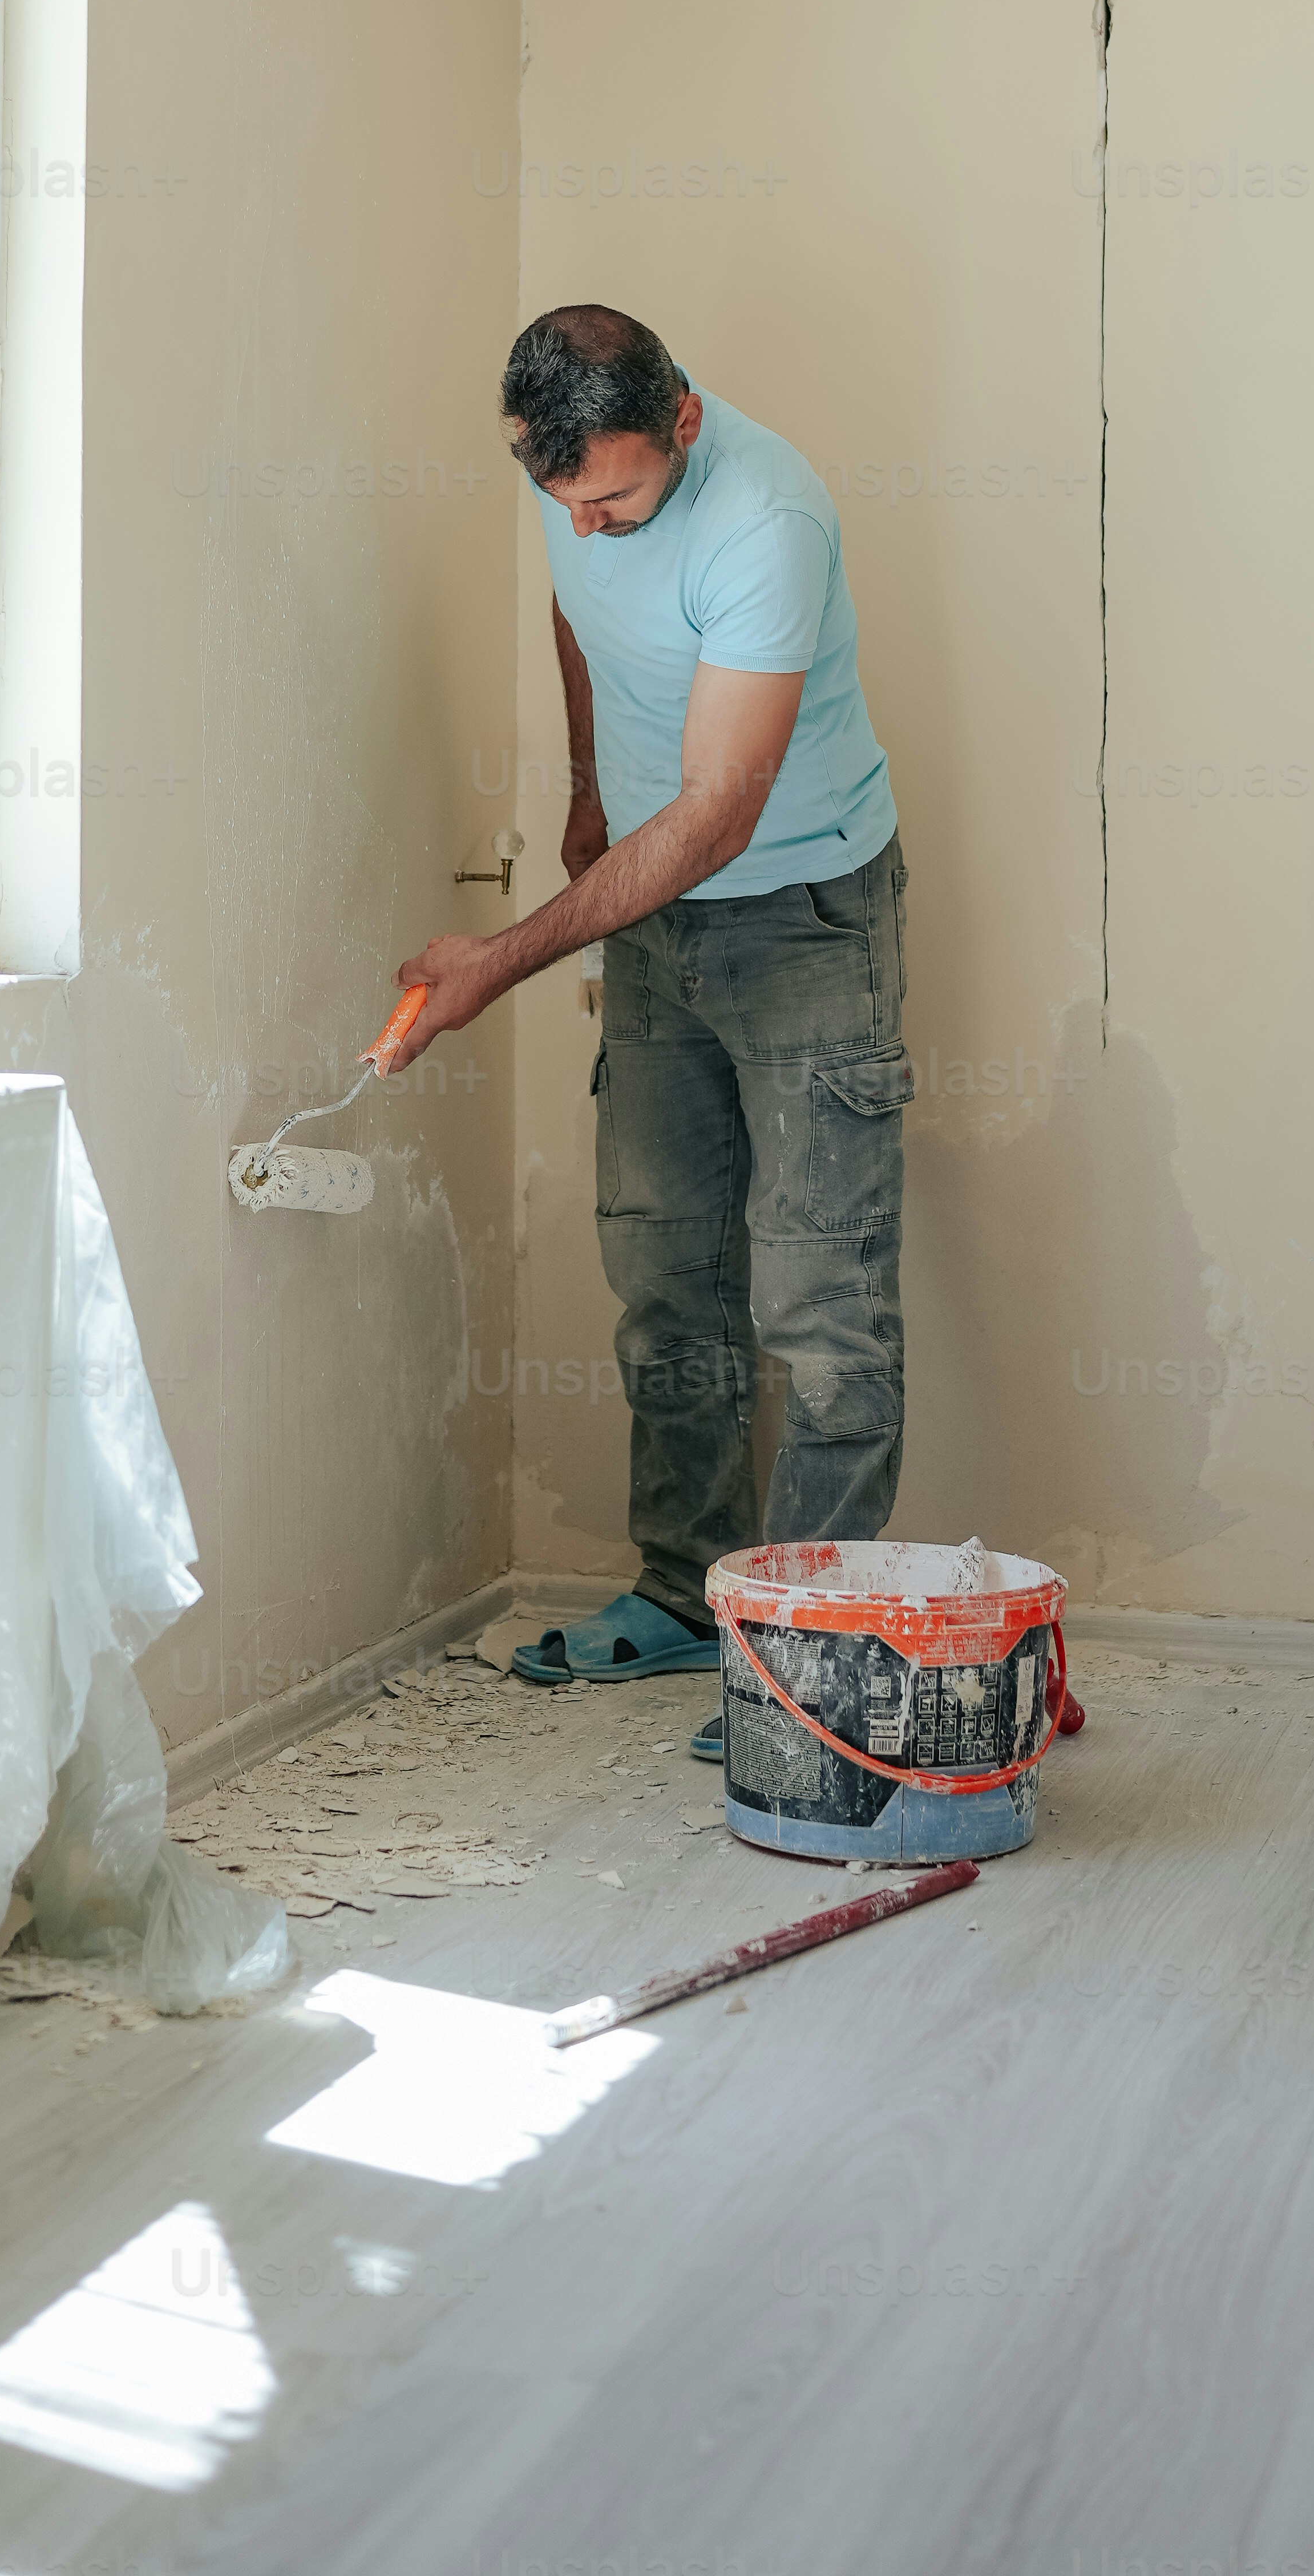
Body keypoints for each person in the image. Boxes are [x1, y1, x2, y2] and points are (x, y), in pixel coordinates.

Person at [390, 303, 910, 1753]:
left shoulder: (766, 522)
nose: (590, 528)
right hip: (653, 906)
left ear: (679, 421)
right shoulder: (582, 486)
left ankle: (807, 1666)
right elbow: (582, 611)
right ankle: (688, 1602)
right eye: (563, 503)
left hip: (800, 913)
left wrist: (499, 956)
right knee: (666, 1273)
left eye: (614, 499)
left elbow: (717, 812)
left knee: (822, 1304)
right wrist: (578, 794)